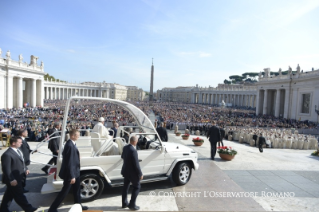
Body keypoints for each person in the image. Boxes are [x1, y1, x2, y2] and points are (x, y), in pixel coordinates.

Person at [48, 129, 88, 212]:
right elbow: (69, 163)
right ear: (72, 136)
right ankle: (52, 208)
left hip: (75, 172)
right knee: (64, 192)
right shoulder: (69, 145)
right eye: (78, 135)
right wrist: (72, 176)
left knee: (77, 190)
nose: (79, 136)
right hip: (71, 174)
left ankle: (78, 204)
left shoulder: (72, 144)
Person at [0, 137, 38, 212]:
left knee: (9, 194)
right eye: (19, 142)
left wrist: (26, 169)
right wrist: (11, 179)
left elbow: (22, 162)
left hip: (19, 176)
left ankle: (3, 208)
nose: (21, 143)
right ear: (13, 143)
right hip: (13, 179)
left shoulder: (18, 151)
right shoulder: (7, 154)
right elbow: (6, 169)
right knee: (19, 195)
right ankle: (28, 208)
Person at [121, 135, 143, 210]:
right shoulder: (133, 150)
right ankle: (132, 205)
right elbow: (136, 164)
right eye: (137, 141)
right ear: (134, 142)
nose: (137, 142)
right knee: (137, 187)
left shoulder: (125, 147)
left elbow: (122, 157)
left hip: (125, 170)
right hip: (132, 173)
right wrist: (140, 174)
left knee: (125, 187)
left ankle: (124, 203)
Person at [17, 129, 33, 193]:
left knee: (23, 175)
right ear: (22, 133)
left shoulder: (24, 140)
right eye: (26, 132)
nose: (27, 133)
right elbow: (20, 151)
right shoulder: (19, 140)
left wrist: (32, 151)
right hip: (22, 160)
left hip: (25, 160)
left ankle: (21, 187)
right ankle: (21, 188)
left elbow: (26, 149)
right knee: (22, 175)